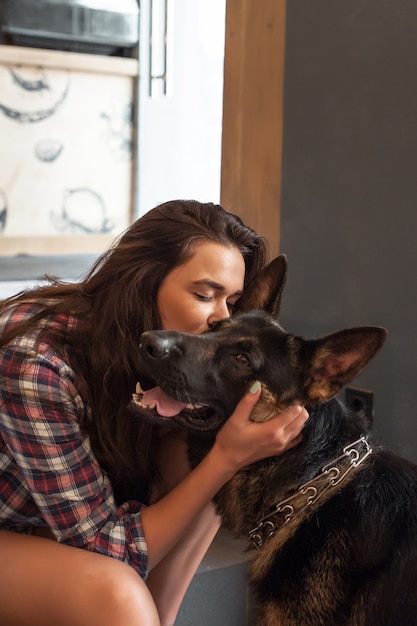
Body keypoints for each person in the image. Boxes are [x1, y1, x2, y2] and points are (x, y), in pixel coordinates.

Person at [0, 199, 308, 626]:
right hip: (15, 526)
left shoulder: (157, 362)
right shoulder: (38, 364)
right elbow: (106, 553)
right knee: (118, 596)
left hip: (48, 516)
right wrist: (226, 458)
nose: (223, 321)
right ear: (143, 284)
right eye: (205, 295)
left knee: (212, 436)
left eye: (233, 303)